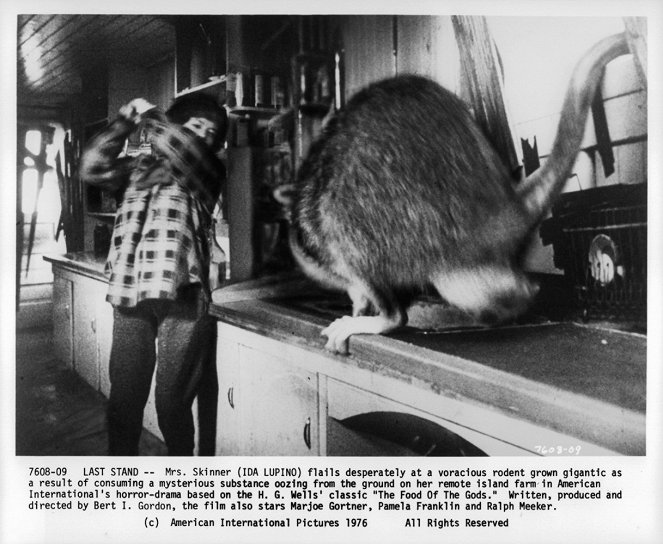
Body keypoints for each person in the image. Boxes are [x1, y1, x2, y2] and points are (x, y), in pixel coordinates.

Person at [79, 93, 227, 455]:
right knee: (124, 401)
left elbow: (180, 150)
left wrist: (152, 116)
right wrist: (123, 124)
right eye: (197, 127)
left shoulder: (207, 170)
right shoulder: (141, 169)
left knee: (172, 404)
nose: (204, 138)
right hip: (131, 291)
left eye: (211, 132)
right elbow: (92, 168)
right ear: (179, 125)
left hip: (184, 295)